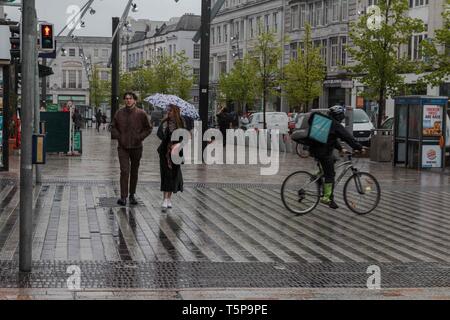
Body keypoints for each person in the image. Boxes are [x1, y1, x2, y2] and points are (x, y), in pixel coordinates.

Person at [308, 105, 364, 209]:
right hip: (323, 153)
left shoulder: (327, 122)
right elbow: (348, 137)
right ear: (339, 116)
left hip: (315, 150)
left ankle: (318, 176)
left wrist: (340, 148)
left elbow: (331, 138)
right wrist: (359, 147)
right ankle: (326, 198)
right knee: (330, 175)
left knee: (333, 160)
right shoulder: (335, 125)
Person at [111, 92, 153, 206]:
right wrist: (119, 137)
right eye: (126, 98)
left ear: (135, 100)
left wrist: (140, 137)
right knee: (124, 171)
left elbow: (149, 128)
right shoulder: (119, 113)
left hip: (136, 147)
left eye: (130, 98)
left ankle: (132, 195)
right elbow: (112, 127)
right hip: (123, 147)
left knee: (134, 172)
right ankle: (123, 197)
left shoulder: (141, 113)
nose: (128, 100)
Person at [157, 104, 185, 211]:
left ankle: (168, 199)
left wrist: (177, 144)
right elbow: (159, 135)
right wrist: (165, 137)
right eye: (168, 110)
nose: (169, 112)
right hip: (165, 152)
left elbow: (184, 137)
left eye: (171, 110)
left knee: (173, 174)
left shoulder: (180, 122)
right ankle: (165, 198)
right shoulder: (164, 122)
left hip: (176, 153)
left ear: (176, 111)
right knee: (166, 174)